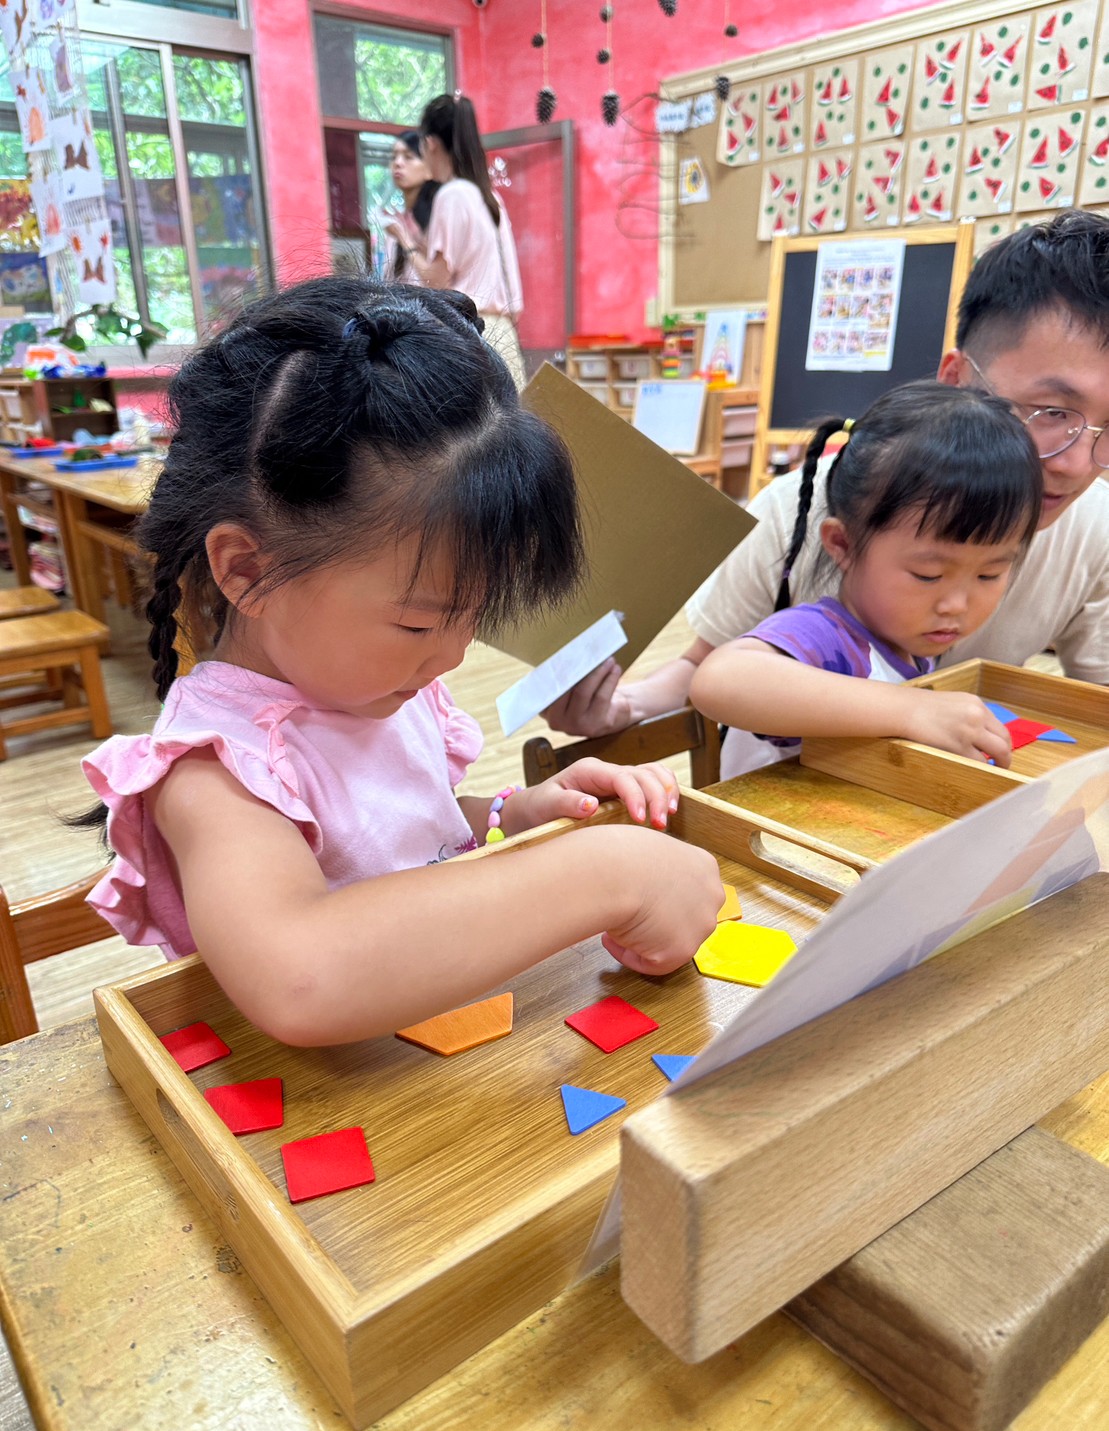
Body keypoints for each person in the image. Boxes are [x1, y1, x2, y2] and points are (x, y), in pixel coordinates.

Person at [79, 279, 723, 1048]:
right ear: (247, 570)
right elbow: (300, 977)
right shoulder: (215, 769)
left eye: (473, 614)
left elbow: (404, 832)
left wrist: (509, 815)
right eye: (419, 621)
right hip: (332, 1095)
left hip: (438, 1063)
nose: (452, 653)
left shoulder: (376, 686)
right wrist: (604, 873)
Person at [545, 210, 1109, 755]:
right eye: (1051, 412)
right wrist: (624, 704)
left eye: (991, 572)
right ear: (956, 381)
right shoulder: (802, 519)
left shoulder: (1095, 528)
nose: (1079, 463)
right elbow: (713, 672)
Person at [688, 382, 1042, 776]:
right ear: (843, 544)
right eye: (928, 575)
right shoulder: (827, 639)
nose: (956, 604)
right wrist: (912, 710)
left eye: (989, 574)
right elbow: (720, 679)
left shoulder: (908, 644)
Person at [400, 92, 526, 389]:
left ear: (430, 143)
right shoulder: (488, 196)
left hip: (471, 336)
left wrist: (405, 242)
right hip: (503, 334)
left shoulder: (452, 195)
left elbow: (436, 280)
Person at [381, 130, 439, 286]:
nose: (398, 163)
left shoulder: (440, 216)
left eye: (408, 157)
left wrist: (405, 238)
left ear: (429, 167)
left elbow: (439, 283)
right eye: (394, 157)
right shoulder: (395, 224)